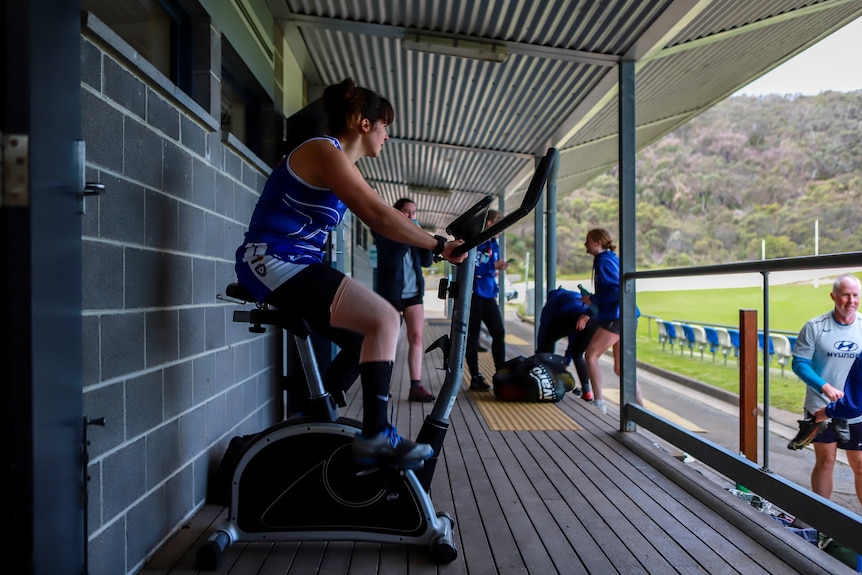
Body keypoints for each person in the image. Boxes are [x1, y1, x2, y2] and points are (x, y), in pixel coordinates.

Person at [234, 78, 465, 469]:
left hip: (295, 263)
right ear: (363, 123)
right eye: (384, 126)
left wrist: (435, 242)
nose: (387, 136)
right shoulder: (324, 150)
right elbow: (377, 215)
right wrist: (438, 245)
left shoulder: (334, 158)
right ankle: (375, 438)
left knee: (368, 335)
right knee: (384, 318)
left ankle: (326, 415)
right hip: (271, 261)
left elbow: (381, 211)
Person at [792, 274, 862, 505]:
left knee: (860, 464)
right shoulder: (815, 327)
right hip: (820, 406)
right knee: (826, 461)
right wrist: (825, 386)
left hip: (857, 409)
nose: (851, 300)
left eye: (855, 295)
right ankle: (820, 522)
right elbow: (799, 363)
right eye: (845, 295)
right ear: (833, 296)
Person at [372, 198, 435, 402]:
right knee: (389, 339)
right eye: (406, 212)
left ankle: (415, 386)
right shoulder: (383, 232)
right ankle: (382, 385)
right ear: (397, 212)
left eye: (414, 212)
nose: (411, 216)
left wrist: (423, 238)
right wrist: (407, 234)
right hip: (390, 293)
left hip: (414, 293)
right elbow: (390, 260)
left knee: (416, 337)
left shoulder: (414, 234)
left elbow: (426, 262)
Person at [576, 228, 643, 414]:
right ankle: (642, 411)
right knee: (621, 369)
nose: (585, 244)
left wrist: (593, 300)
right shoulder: (610, 258)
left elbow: (615, 290)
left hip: (616, 317)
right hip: (625, 316)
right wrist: (590, 309)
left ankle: (598, 403)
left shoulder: (604, 261)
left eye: (587, 240)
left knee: (591, 356)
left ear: (597, 242)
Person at [465, 210, 509, 390]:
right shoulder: (475, 242)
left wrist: (496, 268)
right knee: (472, 337)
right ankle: (475, 376)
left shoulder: (494, 244)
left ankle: (501, 373)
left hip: (489, 294)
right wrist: (492, 266)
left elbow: (488, 266)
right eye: (499, 228)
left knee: (498, 332)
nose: (501, 232)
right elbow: (471, 267)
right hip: (474, 294)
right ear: (490, 224)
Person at [536, 286, 597, 401]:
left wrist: (540, 355)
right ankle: (587, 392)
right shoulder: (574, 296)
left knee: (547, 345)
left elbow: (543, 333)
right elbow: (574, 336)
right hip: (591, 318)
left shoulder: (552, 304)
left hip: (567, 317)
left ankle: (548, 384)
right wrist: (566, 362)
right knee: (577, 353)